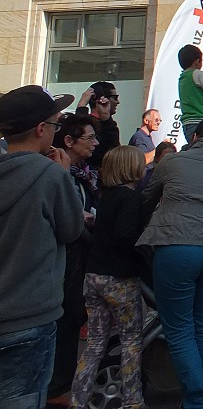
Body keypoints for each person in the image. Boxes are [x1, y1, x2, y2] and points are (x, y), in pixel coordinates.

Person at [138, 117, 203, 408]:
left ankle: (197, 399)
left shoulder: (171, 163)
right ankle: (200, 390)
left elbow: (147, 197)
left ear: (194, 136)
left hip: (176, 245)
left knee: (178, 328)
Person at [0, 86, 83, 409]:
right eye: (54, 125)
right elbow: (72, 229)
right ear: (39, 130)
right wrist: (64, 176)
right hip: (30, 313)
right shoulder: (49, 175)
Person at [70, 146, 146, 409]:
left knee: (94, 343)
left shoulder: (106, 197)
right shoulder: (130, 199)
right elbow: (126, 236)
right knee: (131, 341)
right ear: (131, 168)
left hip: (94, 275)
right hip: (120, 278)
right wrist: (144, 256)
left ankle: (77, 399)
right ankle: (132, 400)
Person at [48, 114, 99, 401]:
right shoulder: (57, 174)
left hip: (78, 259)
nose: (96, 143)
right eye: (89, 138)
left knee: (71, 318)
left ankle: (61, 385)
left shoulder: (84, 175)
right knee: (64, 320)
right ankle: (57, 387)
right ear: (68, 141)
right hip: (63, 261)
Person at [75, 81, 119, 170]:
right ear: (101, 99)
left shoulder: (108, 124)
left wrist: (106, 119)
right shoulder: (86, 125)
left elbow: (114, 151)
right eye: (115, 97)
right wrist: (81, 107)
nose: (118, 102)